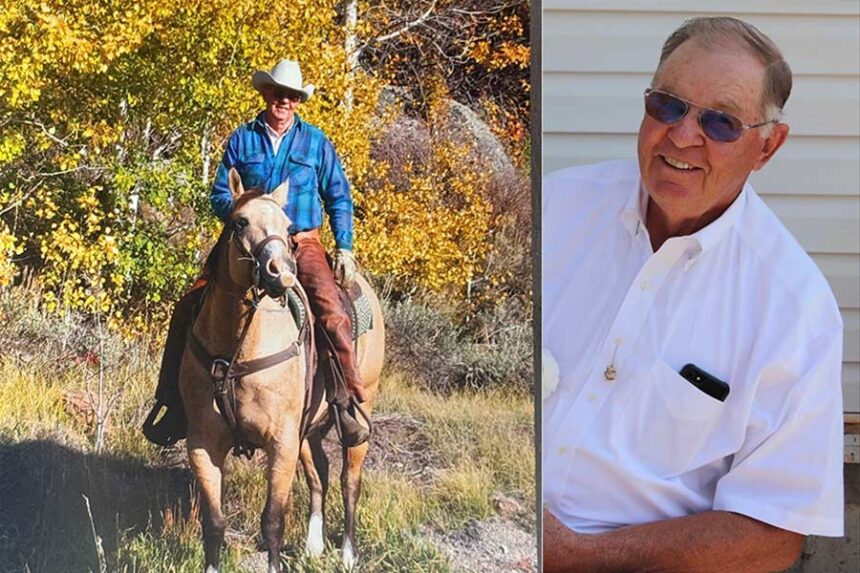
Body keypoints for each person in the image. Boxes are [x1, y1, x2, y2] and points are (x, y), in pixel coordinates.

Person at [542, 17, 844, 572]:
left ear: (767, 146)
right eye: (668, 105)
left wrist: (576, 556)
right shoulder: (553, 211)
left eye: (722, 123)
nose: (682, 136)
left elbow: (771, 537)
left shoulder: (795, 308)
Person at [144, 59, 370, 448]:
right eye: (278, 93)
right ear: (266, 94)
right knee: (189, 304)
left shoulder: (316, 142)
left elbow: (339, 195)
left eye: (292, 96)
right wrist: (241, 214)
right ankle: (174, 404)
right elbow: (219, 191)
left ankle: (345, 401)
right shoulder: (241, 139)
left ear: (299, 101)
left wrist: (345, 245)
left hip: (302, 241)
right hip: (246, 240)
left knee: (332, 311)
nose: (284, 101)